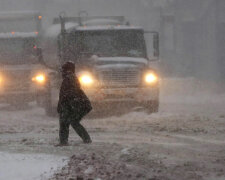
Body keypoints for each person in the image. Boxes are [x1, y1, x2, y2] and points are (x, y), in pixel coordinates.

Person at [57, 61, 92, 146]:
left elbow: (68, 94)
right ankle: (86, 139)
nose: (62, 72)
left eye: (63, 70)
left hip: (77, 105)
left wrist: (64, 105)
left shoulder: (69, 79)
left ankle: (64, 142)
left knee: (65, 122)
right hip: (79, 104)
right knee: (72, 121)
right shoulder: (71, 78)